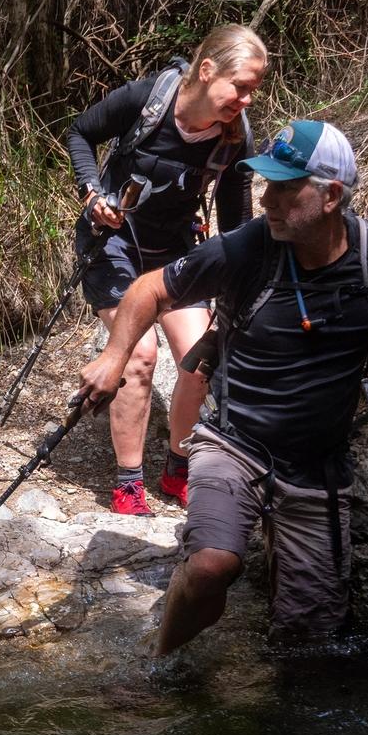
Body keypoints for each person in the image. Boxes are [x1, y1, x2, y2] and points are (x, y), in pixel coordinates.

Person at [77, 119, 368, 652]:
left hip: (319, 464)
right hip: (232, 444)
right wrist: (114, 354)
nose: (269, 200)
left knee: (312, 639)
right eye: (266, 185)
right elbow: (150, 288)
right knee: (213, 566)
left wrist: (354, 355)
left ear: (331, 195)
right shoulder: (248, 249)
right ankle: (162, 665)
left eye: (286, 188)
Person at [64, 25, 268, 517]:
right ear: (206, 71)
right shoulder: (147, 98)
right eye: (239, 86)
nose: (245, 99)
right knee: (138, 354)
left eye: (253, 90)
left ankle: (178, 469)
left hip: (175, 249)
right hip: (112, 242)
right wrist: (93, 194)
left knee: (198, 358)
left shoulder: (234, 135)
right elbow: (79, 132)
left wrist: (233, 287)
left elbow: (236, 215)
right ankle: (128, 484)